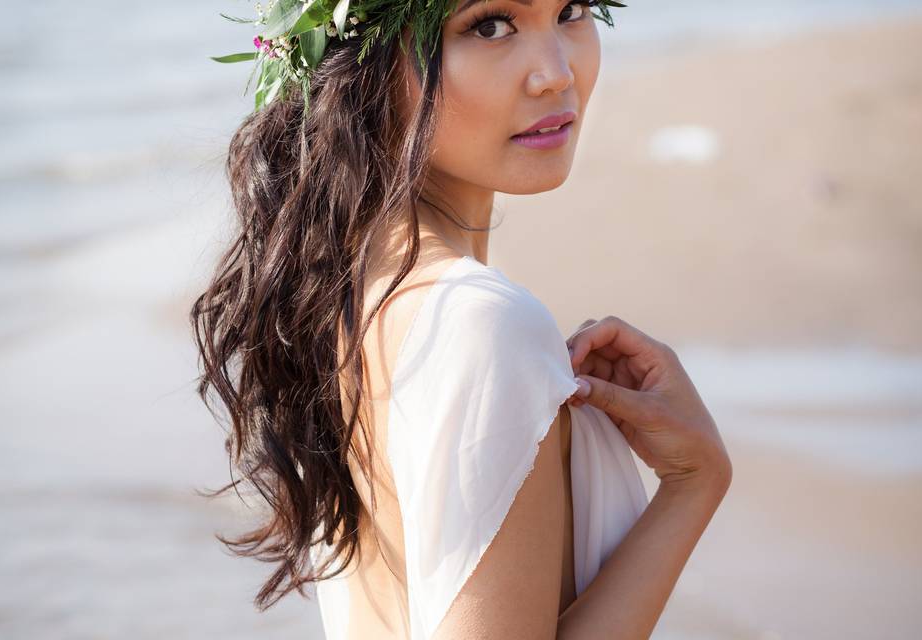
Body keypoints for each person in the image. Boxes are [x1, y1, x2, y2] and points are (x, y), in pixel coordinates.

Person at [192, 1, 732, 639]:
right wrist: (695, 485)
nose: (556, 73)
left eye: (572, 10)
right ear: (364, 60)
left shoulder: (341, 286)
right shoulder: (480, 325)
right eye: (490, 24)